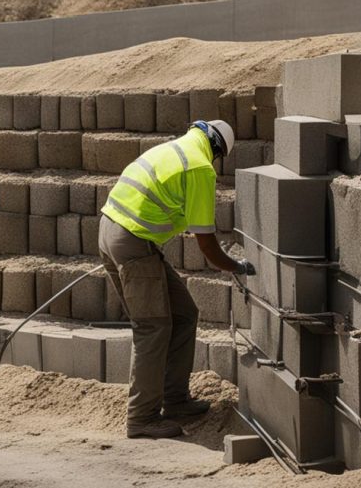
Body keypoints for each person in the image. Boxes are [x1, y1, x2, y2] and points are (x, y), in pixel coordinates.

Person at [98, 120, 254, 439]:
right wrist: (237, 266)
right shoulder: (199, 167)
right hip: (131, 243)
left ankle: (176, 400)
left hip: (114, 232)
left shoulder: (174, 149)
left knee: (184, 314)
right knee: (153, 326)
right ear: (217, 150)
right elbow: (208, 246)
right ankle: (141, 417)